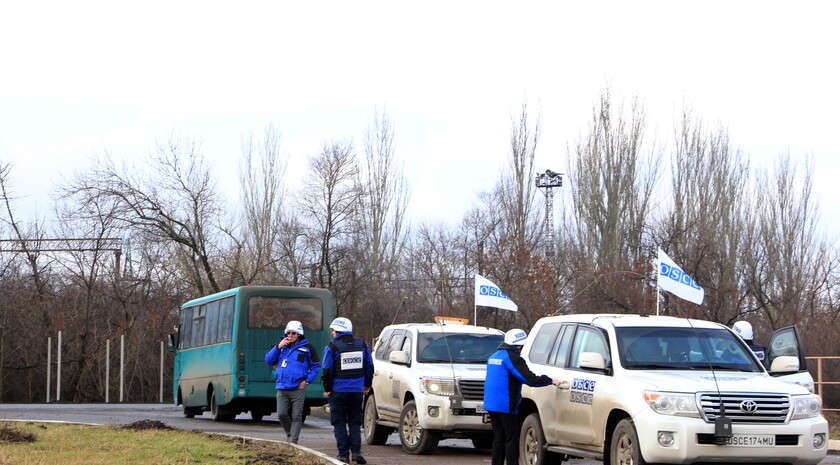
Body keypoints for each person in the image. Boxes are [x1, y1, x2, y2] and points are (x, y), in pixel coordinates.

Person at [483, 328, 561, 465]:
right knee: (511, 438)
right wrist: (549, 380)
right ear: (519, 345)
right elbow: (528, 379)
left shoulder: (494, 356)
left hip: (491, 404)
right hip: (506, 405)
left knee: (499, 437)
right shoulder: (512, 358)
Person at [321, 317, 373, 464]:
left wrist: (327, 388)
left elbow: (326, 370)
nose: (332, 333)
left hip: (338, 391)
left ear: (338, 331)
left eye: (333, 330)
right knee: (355, 422)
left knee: (339, 422)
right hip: (357, 391)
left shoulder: (332, 347)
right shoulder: (363, 345)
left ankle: (343, 454)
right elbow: (369, 367)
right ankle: (356, 452)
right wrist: (366, 385)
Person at [264, 320, 321, 444]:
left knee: (297, 415)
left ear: (299, 334)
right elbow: (268, 360)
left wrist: (307, 381)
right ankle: (290, 434)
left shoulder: (308, 348)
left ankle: (293, 441)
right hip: (282, 387)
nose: (290, 335)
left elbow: (316, 366)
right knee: (282, 414)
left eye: (293, 333)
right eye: (288, 333)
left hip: (298, 387)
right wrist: (278, 347)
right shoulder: (280, 347)